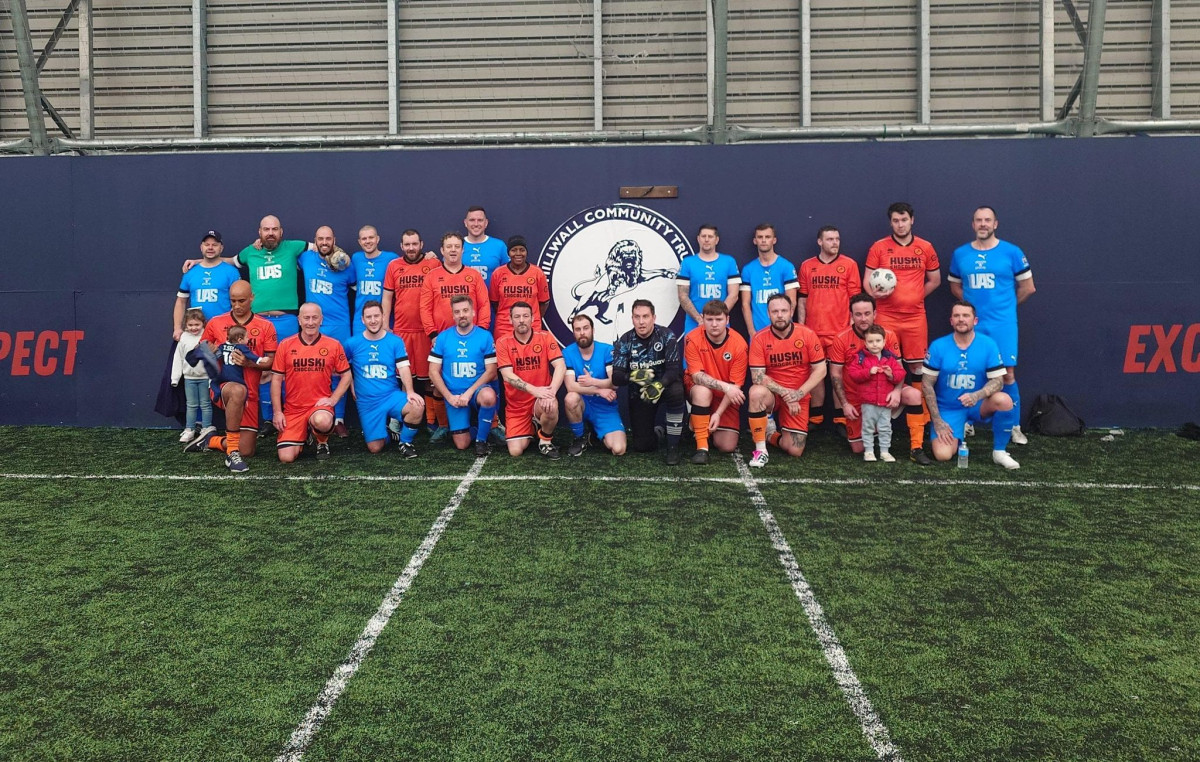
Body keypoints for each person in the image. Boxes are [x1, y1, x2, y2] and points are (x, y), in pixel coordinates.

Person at [948, 205, 1036, 445]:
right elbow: (956, 287)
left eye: (988, 220)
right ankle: (968, 421)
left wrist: (1006, 308)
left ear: (995, 224)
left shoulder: (1012, 252)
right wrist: (971, 312)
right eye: (979, 220)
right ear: (973, 224)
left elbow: (1028, 288)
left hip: (1002, 325)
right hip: (973, 325)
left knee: (1007, 374)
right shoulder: (960, 254)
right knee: (971, 370)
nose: (983, 224)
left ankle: (1013, 425)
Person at [864, 202, 941, 465]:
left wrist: (916, 296)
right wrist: (876, 294)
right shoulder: (879, 247)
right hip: (885, 316)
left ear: (912, 220)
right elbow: (867, 281)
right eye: (895, 220)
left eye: (904, 220)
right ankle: (876, 434)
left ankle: (917, 441)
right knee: (882, 365)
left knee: (918, 370)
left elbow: (935, 279)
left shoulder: (925, 247)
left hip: (915, 318)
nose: (900, 224)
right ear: (891, 223)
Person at [184, 280, 278, 473]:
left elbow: (271, 362)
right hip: (223, 388)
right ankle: (231, 454)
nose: (236, 305)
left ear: (252, 297)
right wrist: (207, 352)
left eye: (241, 300)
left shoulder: (265, 326)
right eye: (233, 301)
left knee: (248, 450)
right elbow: (197, 353)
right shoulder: (217, 323)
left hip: (251, 395)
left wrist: (248, 363)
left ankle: (213, 440)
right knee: (237, 389)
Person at [922, 300, 1021, 470]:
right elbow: (926, 385)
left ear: (975, 320)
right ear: (951, 321)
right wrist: (937, 420)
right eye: (957, 316)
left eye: (966, 315)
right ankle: (958, 432)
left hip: (978, 404)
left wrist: (977, 395)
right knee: (943, 455)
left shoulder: (988, 344)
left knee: (1004, 400)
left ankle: (999, 452)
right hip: (949, 408)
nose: (961, 319)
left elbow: (998, 381)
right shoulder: (939, 346)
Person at [827, 293, 923, 455]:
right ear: (851, 316)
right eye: (858, 314)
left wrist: (897, 391)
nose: (863, 318)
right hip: (858, 397)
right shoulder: (841, 339)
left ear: (875, 314)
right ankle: (875, 421)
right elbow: (835, 375)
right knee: (858, 449)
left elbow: (899, 368)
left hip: (885, 390)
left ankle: (916, 448)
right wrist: (845, 404)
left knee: (914, 395)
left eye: (867, 313)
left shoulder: (889, 335)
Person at [421, 231, 492, 440]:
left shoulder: (473, 275)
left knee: (487, 375)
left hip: (472, 337)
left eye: (456, 246)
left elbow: (484, 304)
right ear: (442, 250)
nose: (453, 250)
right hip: (441, 339)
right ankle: (444, 425)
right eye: (448, 246)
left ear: (463, 249)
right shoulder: (432, 276)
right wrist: (432, 333)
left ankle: (492, 423)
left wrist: (482, 333)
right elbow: (424, 308)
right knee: (439, 380)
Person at [746, 293, 827, 467]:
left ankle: (770, 435)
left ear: (791, 311)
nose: (780, 315)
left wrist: (798, 394)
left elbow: (821, 370)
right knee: (755, 392)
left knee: (794, 450)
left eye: (784, 310)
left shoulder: (807, 334)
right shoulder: (759, 339)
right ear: (768, 314)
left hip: (799, 394)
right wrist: (785, 393)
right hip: (774, 395)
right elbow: (757, 376)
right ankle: (760, 450)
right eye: (775, 311)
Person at [797, 225, 861, 431]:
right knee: (814, 373)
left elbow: (854, 300)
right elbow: (802, 300)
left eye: (837, 239)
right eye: (830, 239)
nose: (835, 243)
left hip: (839, 332)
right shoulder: (807, 266)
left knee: (839, 375)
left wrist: (851, 327)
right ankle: (815, 419)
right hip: (814, 331)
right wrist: (802, 327)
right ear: (820, 242)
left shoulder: (849, 265)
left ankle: (840, 418)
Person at [382, 229, 445, 435]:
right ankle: (398, 420)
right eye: (407, 244)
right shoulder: (393, 266)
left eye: (414, 244)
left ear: (422, 244)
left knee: (429, 379)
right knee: (402, 380)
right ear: (401, 246)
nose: (411, 248)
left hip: (427, 332)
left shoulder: (433, 264)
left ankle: (431, 421)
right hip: (402, 331)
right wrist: (385, 323)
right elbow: (388, 297)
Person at [271, 303, 351, 463]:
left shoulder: (333, 345)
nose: (310, 322)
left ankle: (322, 442)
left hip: (319, 407)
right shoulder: (286, 345)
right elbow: (276, 380)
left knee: (322, 421)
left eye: (315, 318)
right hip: (294, 409)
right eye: (306, 318)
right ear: (299, 320)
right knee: (286, 458)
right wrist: (278, 412)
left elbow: (347, 375)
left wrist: (333, 399)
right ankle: (305, 434)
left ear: (321, 320)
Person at [344, 300, 426, 457]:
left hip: (390, 396)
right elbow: (341, 369)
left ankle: (405, 442)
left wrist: (409, 391)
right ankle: (386, 433)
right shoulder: (352, 343)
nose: (373, 320)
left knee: (417, 406)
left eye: (376, 316)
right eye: (369, 317)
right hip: (367, 402)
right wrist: (351, 385)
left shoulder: (394, 341)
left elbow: (403, 367)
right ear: (362, 320)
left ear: (383, 317)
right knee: (375, 448)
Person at [611, 299, 685, 465]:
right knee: (642, 446)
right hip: (641, 393)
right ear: (632, 319)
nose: (641, 321)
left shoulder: (667, 335)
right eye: (637, 317)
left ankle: (673, 448)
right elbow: (616, 377)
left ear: (654, 317)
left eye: (645, 316)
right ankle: (659, 432)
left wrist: (658, 385)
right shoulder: (625, 340)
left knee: (676, 390)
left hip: (664, 385)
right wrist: (633, 376)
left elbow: (674, 370)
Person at [299, 226, 355, 437]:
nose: (324, 242)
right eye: (320, 238)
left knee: (339, 371)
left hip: (340, 324)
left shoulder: (345, 264)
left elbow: (359, 290)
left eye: (328, 239)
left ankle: (338, 418)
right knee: (311, 370)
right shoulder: (305, 258)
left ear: (334, 240)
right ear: (315, 240)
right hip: (314, 324)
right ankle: (314, 415)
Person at [428, 294, 500, 456]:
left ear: (473, 313)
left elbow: (491, 371)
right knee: (461, 444)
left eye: (466, 310)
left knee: (488, 396)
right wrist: (449, 397)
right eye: (458, 312)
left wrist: (468, 394)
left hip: (476, 392)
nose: (462, 315)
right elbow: (432, 371)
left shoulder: (484, 336)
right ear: (453, 315)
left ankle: (481, 440)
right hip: (453, 395)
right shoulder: (443, 338)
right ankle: (479, 424)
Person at [495, 302, 565, 458]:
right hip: (516, 406)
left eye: (525, 316)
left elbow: (560, 366)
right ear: (510, 319)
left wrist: (551, 392)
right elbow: (507, 375)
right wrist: (535, 389)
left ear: (533, 318)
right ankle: (533, 426)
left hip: (539, 400)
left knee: (551, 405)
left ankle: (545, 441)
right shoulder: (503, 342)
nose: (521, 320)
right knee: (515, 451)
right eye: (517, 316)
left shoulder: (545, 337)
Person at [683, 300, 748, 464]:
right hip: (700, 389)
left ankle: (699, 423)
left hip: (724, 397)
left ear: (727, 320)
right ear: (703, 320)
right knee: (703, 391)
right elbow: (697, 376)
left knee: (727, 446)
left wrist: (718, 413)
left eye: (718, 320)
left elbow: (736, 387)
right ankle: (702, 448)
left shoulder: (739, 344)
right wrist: (726, 387)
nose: (714, 324)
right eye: (709, 320)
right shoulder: (692, 338)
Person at [562, 313, 628, 457]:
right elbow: (571, 387)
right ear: (573, 332)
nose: (582, 333)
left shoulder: (606, 350)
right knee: (571, 398)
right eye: (578, 329)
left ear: (593, 329)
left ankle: (595, 433)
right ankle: (580, 438)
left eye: (585, 328)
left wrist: (593, 382)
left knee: (618, 449)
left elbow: (614, 383)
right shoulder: (567, 352)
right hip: (583, 402)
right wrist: (599, 390)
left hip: (604, 406)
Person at [844, 324, 905, 462]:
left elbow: (901, 373)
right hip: (868, 401)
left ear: (884, 342)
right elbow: (852, 374)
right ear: (865, 343)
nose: (874, 344)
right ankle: (869, 451)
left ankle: (884, 451)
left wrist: (891, 374)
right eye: (870, 341)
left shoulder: (890, 358)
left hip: (885, 401)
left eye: (878, 341)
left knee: (885, 427)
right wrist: (867, 372)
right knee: (868, 427)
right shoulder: (860, 358)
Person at [173, 230, 240, 338]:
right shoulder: (190, 272)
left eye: (214, 245)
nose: (210, 248)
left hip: (224, 330)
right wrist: (177, 328)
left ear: (221, 248)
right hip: (196, 332)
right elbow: (181, 301)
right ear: (201, 247)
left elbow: (239, 303)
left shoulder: (231, 272)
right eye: (207, 244)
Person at [676, 224, 741, 334]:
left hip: (720, 325)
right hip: (694, 324)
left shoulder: (729, 262)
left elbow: (733, 295)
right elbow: (682, 296)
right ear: (698, 239)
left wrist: (717, 318)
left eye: (710, 237)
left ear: (717, 240)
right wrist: (700, 319)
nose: (706, 240)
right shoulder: (688, 263)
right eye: (703, 236)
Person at [740, 223, 799, 333]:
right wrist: (751, 331)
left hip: (782, 331)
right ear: (755, 240)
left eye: (767, 237)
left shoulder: (786, 266)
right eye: (760, 237)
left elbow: (792, 302)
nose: (763, 240)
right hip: (758, 332)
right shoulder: (748, 269)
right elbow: (745, 304)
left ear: (774, 240)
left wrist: (783, 329)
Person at [489, 236, 550, 340]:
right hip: (504, 327)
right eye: (514, 250)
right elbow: (495, 302)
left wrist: (531, 319)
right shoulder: (498, 273)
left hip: (531, 327)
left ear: (526, 252)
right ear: (508, 253)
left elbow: (544, 302)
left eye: (522, 250)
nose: (518, 253)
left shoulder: (537, 273)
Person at [171, 308, 215, 443]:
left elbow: (212, 359)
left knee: (206, 404)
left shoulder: (206, 337)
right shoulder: (183, 338)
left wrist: (212, 378)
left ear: (203, 323)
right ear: (185, 325)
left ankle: (206, 429)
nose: (193, 328)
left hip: (205, 379)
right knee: (191, 405)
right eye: (190, 325)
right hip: (189, 379)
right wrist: (175, 378)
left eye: (197, 325)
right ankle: (189, 429)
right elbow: (178, 358)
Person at [350, 225, 399, 335]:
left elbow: (410, 263)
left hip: (384, 320)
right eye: (364, 239)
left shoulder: (391, 258)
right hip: (360, 321)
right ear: (359, 242)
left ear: (377, 239)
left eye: (371, 237)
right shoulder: (356, 258)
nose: (367, 241)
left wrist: (426, 256)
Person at [461, 206, 510, 287]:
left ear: (486, 223)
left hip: (492, 299)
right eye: (472, 220)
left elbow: (510, 273)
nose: (476, 224)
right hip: (463, 299)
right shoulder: (456, 246)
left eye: (480, 220)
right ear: (465, 223)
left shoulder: (499, 245)